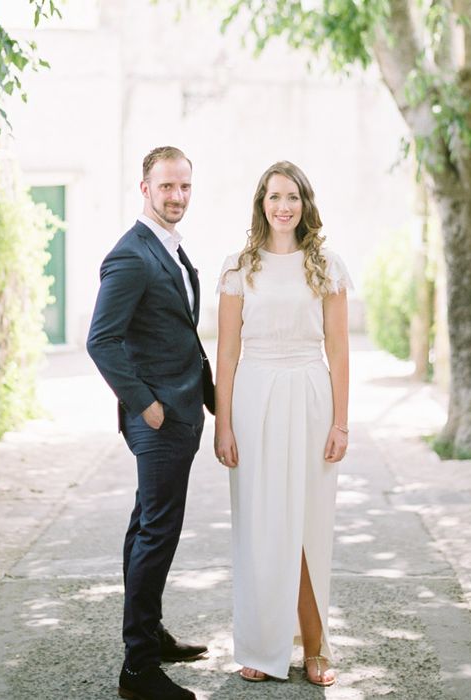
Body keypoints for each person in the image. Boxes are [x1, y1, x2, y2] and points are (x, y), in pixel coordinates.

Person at [214, 160, 351, 687]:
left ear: (305, 203)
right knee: (260, 526)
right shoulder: (238, 267)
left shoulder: (327, 266)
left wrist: (341, 423)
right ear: (261, 203)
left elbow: (338, 350)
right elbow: (226, 355)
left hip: (312, 395)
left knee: (308, 525)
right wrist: (223, 425)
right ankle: (262, 646)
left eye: (292, 196)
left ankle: (314, 646)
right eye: (274, 196)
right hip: (254, 399)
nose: (283, 206)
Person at [87, 145, 215, 700]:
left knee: (145, 527)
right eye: (166, 187)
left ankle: (150, 634)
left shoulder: (171, 249)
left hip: (182, 408)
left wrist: (213, 396)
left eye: (184, 186)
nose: (177, 196)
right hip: (158, 421)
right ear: (145, 188)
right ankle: (138, 669)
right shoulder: (132, 255)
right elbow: (101, 340)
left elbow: (178, 332)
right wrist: (145, 404)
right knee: (157, 533)